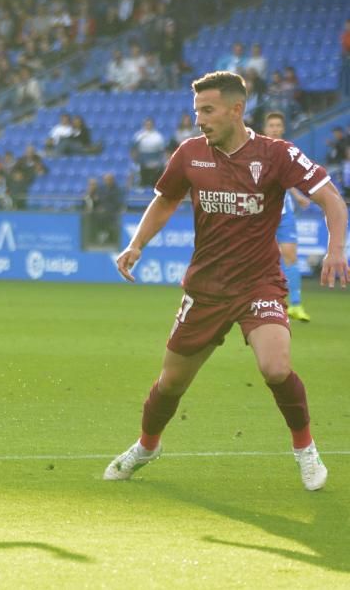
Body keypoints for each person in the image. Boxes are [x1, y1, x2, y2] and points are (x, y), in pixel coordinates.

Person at [105, 71, 348, 491]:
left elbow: (331, 198)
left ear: (237, 110)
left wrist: (335, 249)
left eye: (208, 110)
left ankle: (305, 449)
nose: (199, 119)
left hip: (259, 284)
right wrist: (137, 243)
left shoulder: (277, 155)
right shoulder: (190, 154)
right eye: (197, 110)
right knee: (171, 383)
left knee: (276, 368)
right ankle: (147, 446)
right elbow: (165, 200)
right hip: (206, 288)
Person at [263, 111, 311, 321]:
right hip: (261, 214)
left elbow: (288, 177)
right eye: (271, 125)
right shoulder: (258, 150)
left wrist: (298, 195)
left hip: (284, 213)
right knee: (261, 259)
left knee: (290, 256)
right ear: (265, 129)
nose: (274, 128)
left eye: (277, 125)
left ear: (282, 128)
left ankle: (296, 304)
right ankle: (265, 304)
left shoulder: (290, 151)